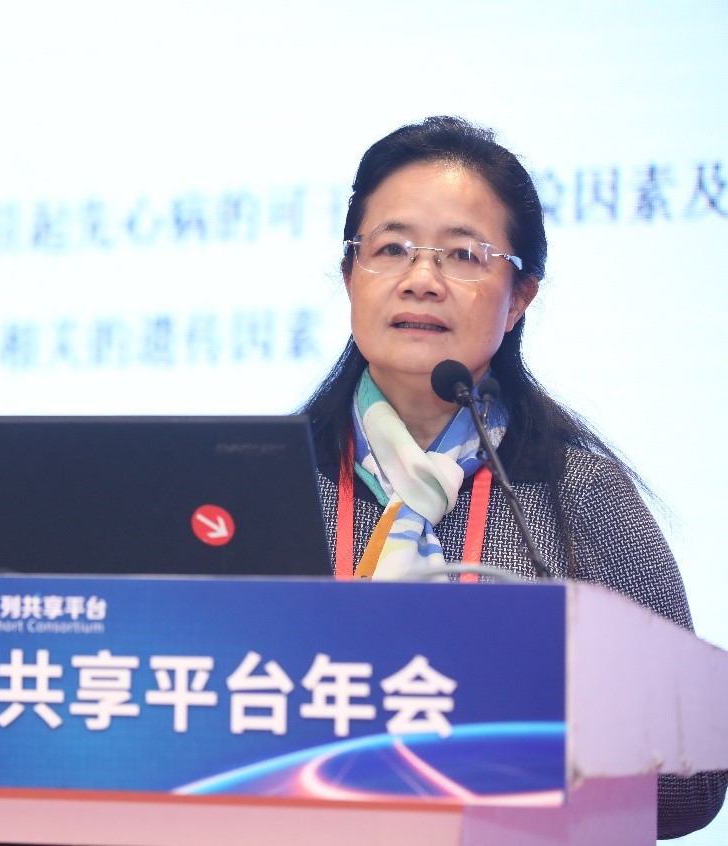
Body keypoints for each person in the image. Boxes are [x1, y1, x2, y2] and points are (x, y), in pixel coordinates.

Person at [301, 115, 726, 839]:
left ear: (520, 295)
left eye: (463, 255)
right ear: (350, 276)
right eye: (391, 248)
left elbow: (693, 785)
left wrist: (530, 736)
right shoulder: (272, 484)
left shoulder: (578, 496)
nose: (421, 280)